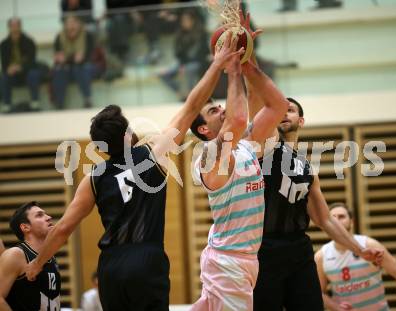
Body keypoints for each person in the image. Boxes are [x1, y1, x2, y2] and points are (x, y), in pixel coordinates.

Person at [25, 32, 243, 311]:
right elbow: (191, 107)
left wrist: (37, 264)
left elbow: (64, 227)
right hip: (145, 259)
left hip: (110, 266)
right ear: (128, 134)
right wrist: (218, 64)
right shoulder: (151, 153)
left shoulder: (94, 177)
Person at [233, 11, 384, 311]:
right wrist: (248, 58)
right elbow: (256, 101)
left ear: (300, 120)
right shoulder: (264, 146)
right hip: (265, 250)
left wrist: (359, 250)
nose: (283, 112)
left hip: (299, 249)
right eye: (280, 108)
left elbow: (325, 219)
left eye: (290, 110)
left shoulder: (306, 167)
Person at [189, 27, 289, 310]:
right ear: (204, 129)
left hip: (243, 259)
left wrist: (248, 65)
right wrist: (233, 70)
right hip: (228, 262)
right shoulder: (208, 157)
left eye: (220, 106)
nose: (221, 109)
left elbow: (277, 105)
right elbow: (237, 119)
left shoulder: (245, 146)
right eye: (212, 111)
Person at [315, 203, 396, 311]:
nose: (337, 220)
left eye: (341, 216)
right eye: (333, 218)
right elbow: (319, 292)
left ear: (352, 222)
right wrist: (335, 307)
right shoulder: (321, 256)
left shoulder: (369, 245)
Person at [0, 202, 61, 310]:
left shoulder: (50, 257)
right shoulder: (16, 254)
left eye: (46, 214)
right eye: (39, 215)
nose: (48, 217)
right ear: (25, 227)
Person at [159, 10, 210, 101]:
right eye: (183, 20)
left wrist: (184, 65)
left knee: (189, 69)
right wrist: (182, 64)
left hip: (196, 62)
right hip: (182, 62)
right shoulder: (180, 34)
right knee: (163, 74)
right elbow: (178, 53)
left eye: (187, 20)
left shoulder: (201, 33)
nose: (184, 22)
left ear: (193, 20)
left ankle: (190, 96)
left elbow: (202, 53)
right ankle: (181, 92)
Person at [52, 15, 97, 109]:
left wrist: (81, 58)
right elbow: (58, 56)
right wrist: (61, 59)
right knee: (59, 70)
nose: (71, 26)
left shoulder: (87, 36)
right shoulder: (59, 37)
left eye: (73, 23)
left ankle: (87, 99)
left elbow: (91, 55)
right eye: (68, 23)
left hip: (86, 65)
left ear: (79, 24)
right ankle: (59, 103)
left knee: (81, 68)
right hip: (68, 67)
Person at [0, 18, 42, 113]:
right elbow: (4, 64)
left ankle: (35, 102)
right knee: (3, 76)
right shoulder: (4, 44)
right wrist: (9, 69)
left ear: (20, 27)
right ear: (9, 28)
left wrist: (20, 67)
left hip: (26, 73)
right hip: (12, 74)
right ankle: (7, 104)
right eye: (12, 26)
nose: (15, 28)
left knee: (34, 73)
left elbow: (32, 62)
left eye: (17, 26)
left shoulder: (29, 41)